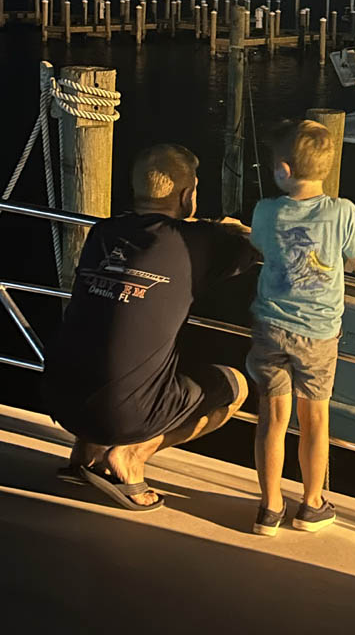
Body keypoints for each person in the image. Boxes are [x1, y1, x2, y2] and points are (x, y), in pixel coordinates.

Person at [44, 144, 257, 511]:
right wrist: (228, 229)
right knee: (235, 387)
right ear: (187, 195)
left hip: (59, 399)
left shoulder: (102, 232)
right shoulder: (197, 242)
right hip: (122, 414)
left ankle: (85, 452)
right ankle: (132, 454)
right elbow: (255, 247)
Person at [247, 119, 355, 536]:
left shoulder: (266, 211)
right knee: (315, 420)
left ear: (283, 170)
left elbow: (259, 244)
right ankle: (311, 504)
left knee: (273, 418)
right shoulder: (344, 213)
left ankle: (270, 508)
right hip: (319, 334)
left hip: (271, 327)